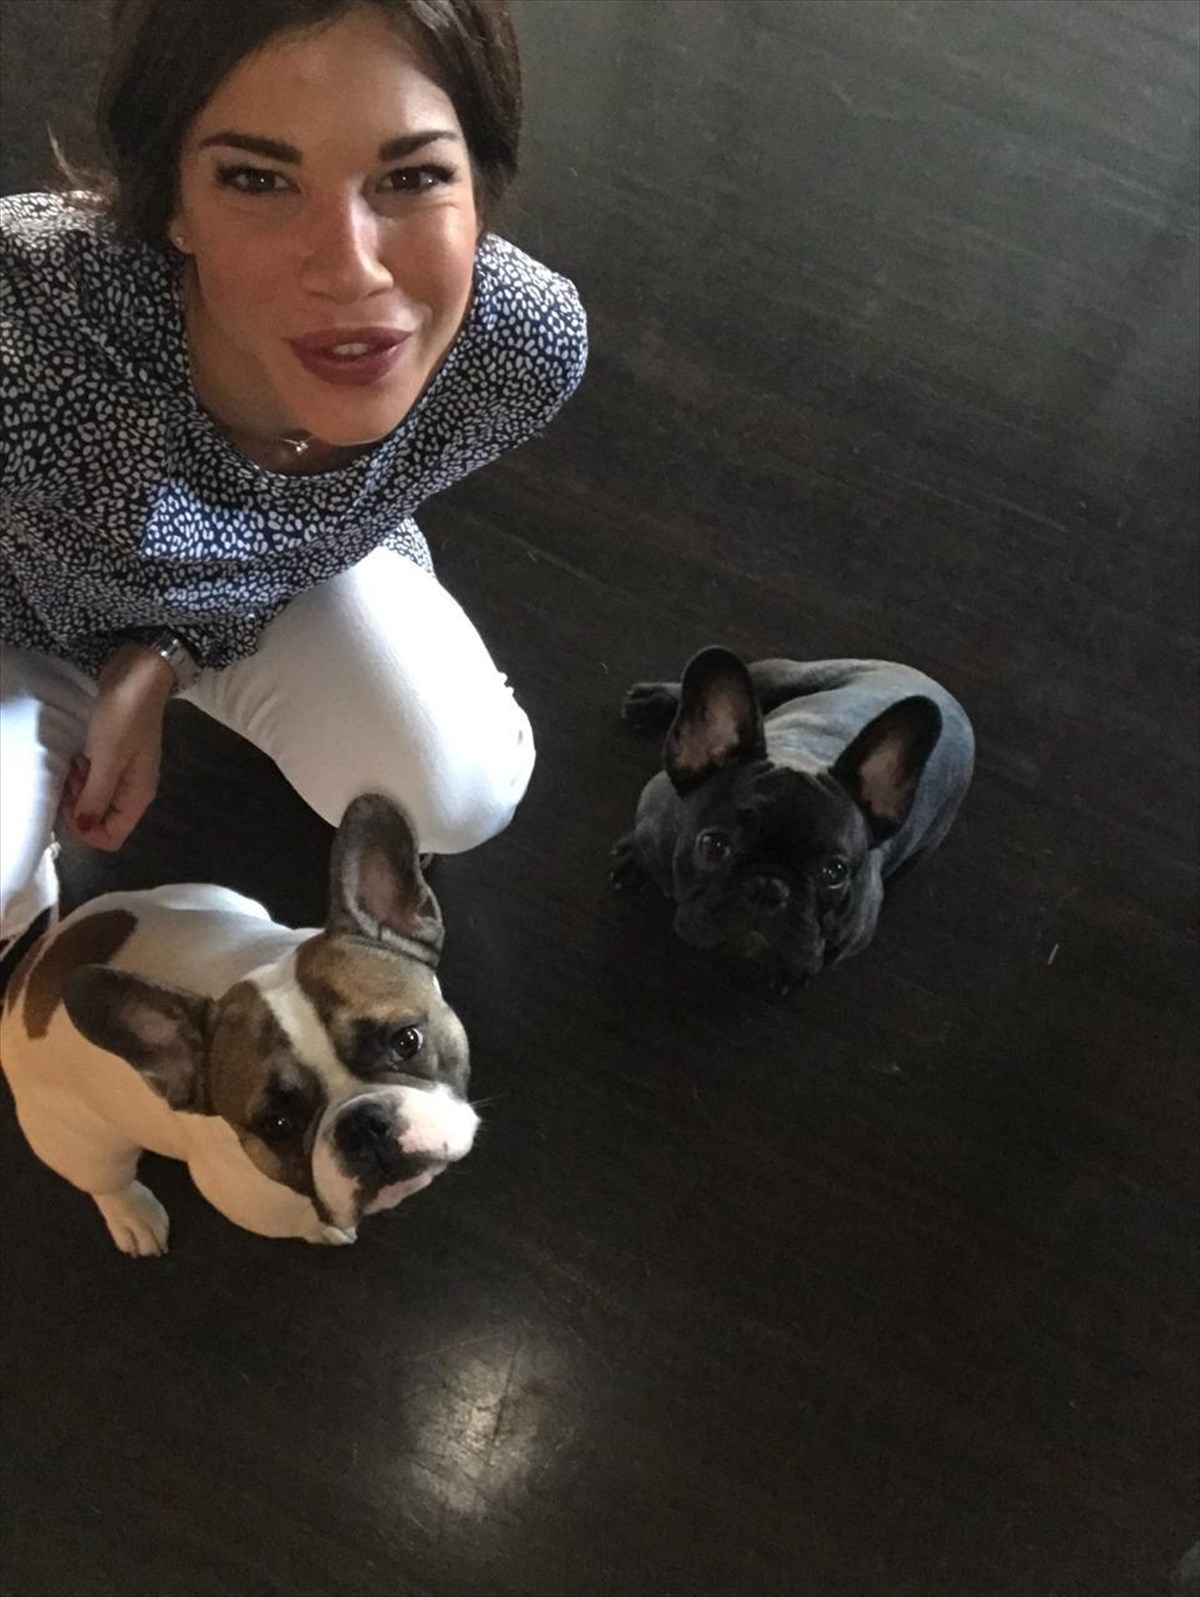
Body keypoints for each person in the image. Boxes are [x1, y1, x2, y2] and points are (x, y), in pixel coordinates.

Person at [0, 0, 587, 949]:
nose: (350, 272)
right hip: (19, 611)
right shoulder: (28, 326)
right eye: (258, 179)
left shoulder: (515, 349)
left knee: (457, 786)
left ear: (481, 184)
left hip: (273, 585)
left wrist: (167, 655)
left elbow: (348, 515)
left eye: (412, 176)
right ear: (169, 200)